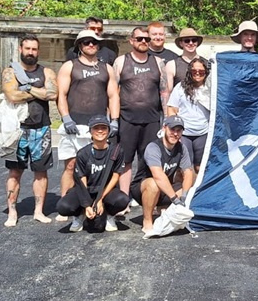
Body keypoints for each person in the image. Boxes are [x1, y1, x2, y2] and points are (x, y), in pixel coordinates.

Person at [56, 29, 120, 221]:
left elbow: (113, 95)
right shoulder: (69, 66)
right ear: (79, 46)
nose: (90, 45)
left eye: (94, 42)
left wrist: (114, 120)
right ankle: (70, 207)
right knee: (71, 167)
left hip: (100, 126)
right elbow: (62, 95)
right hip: (75, 124)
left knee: (104, 169)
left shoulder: (106, 68)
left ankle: (105, 208)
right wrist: (66, 118)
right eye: (86, 42)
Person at [1, 35, 58, 227]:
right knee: (15, 172)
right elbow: (11, 95)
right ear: (20, 50)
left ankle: (39, 211)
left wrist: (26, 88)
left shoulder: (46, 72)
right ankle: (12, 212)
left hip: (41, 128)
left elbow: (52, 94)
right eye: (27, 49)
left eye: (34, 49)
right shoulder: (10, 72)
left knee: (41, 172)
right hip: (17, 130)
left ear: (38, 51)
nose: (31, 52)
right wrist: (37, 91)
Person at [113, 27, 169, 203]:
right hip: (127, 119)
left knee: (148, 160)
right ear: (131, 41)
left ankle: (143, 195)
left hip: (152, 120)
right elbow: (113, 92)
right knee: (125, 160)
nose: (143, 42)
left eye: (146, 39)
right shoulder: (121, 61)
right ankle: (124, 198)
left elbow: (164, 92)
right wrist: (112, 119)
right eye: (139, 39)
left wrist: (167, 118)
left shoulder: (158, 63)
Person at [56, 115, 129, 233]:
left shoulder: (117, 151)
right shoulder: (82, 153)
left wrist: (100, 199)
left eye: (104, 128)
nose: (100, 131)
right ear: (90, 131)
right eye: (96, 128)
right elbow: (82, 178)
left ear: (109, 131)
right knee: (63, 206)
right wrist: (87, 205)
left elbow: (116, 177)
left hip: (106, 190)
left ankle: (109, 213)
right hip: (87, 190)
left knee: (122, 200)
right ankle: (79, 215)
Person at [130, 115, 195, 233]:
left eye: (179, 130)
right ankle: (147, 220)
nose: (175, 134)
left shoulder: (182, 148)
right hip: (143, 188)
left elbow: (188, 172)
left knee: (192, 181)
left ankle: (163, 208)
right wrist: (175, 199)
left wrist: (184, 195)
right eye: (172, 130)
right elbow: (158, 175)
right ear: (164, 128)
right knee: (153, 184)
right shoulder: (153, 147)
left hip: (164, 190)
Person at [167, 58, 210, 173]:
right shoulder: (180, 87)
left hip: (203, 133)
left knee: (200, 167)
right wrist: (175, 131)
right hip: (184, 134)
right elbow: (171, 109)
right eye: (194, 71)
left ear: (206, 72)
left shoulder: (210, 88)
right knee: (185, 168)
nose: (197, 73)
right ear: (189, 72)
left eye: (201, 71)